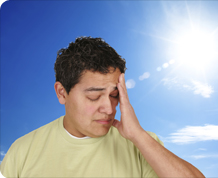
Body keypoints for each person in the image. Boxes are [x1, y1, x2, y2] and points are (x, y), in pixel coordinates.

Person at [0, 37, 205, 177]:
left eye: (115, 95)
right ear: (62, 93)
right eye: (94, 96)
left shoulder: (142, 146)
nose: (109, 108)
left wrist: (139, 137)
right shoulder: (22, 151)